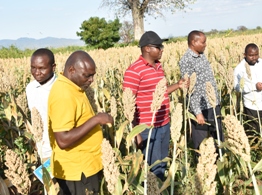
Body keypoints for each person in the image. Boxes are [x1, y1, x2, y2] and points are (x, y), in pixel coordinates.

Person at [48, 50, 113, 195]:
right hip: (77, 172)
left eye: (93, 75)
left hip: (84, 168)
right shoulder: (64, 94)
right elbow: (63, 140)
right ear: (71, 70)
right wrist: (96, 119)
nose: (91, 80)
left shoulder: (73, 87)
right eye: (87, 75)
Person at [123, 31, 185, 180]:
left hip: (164, 124)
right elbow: (128, 104)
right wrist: (136, 133)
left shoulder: (158, 67)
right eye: (159, 47)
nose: (162, 49)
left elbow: (160, 92)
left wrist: (177, 85)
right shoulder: (134, 71)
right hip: (147, 128)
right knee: (154, 168)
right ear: (147, 49)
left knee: (162, 164)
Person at [179, 30, 224, 161]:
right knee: (201, 140)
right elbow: (189, 88)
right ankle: (203, 167)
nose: (205, 45)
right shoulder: (186, 61)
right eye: (203, 42)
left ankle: (220, 163)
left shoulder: (201, 55)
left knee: (218, 136)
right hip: (201, 107)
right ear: (194, 42)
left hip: (212, 102)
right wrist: (197, 112)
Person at [234, 43, 262, 138]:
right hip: (251, 106)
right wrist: (253, 87)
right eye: (251, 55)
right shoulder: (239, 69)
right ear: (244, 55)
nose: (254, 58)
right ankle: (256, 150)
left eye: (256, 55)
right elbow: (237, 87)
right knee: (254, 132)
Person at [26, 48, 56, 162]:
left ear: (53, 67)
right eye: (33, 68)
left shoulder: (60, 87)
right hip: (43, 149)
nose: (37, 72)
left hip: (62, 149)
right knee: (48, 179)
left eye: (42, 68)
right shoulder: (30, 88)